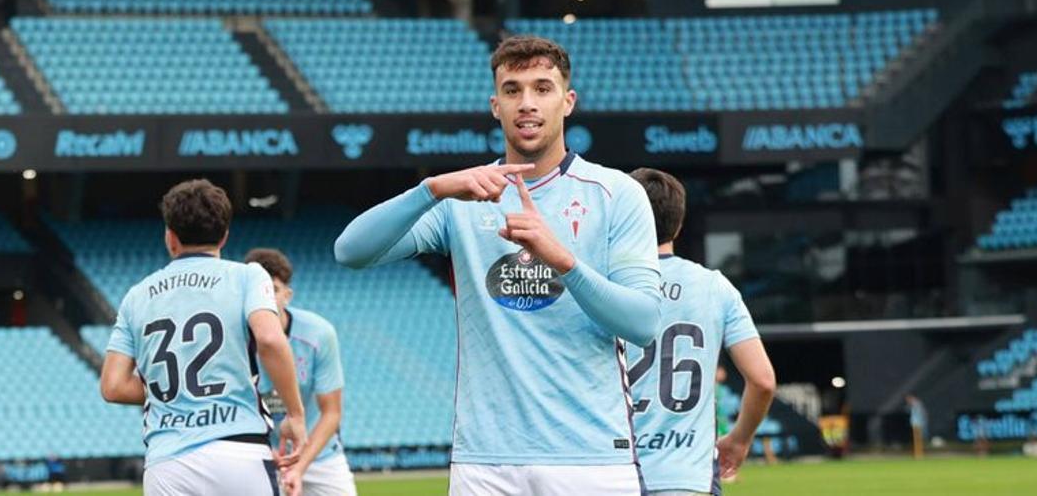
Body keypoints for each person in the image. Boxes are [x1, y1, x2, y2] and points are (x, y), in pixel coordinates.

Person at [334, 35, 662, 496]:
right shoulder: (463, 198)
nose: (527, 103)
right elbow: (350, 252)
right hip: (485, 463)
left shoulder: (615, 194)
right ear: (495, 106)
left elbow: (643, 324)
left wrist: (564, 261)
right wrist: (431, 190)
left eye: (542, 88)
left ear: (568, 101)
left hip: (589, 457)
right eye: (512, 90)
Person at [100, 179, 306, 496]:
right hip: (239, 448)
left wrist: (178, 391)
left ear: (170, 237)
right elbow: (269, 339)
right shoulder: (249, 276)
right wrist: (295, 414)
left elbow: (113, 386)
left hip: (167, 462)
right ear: (224, 236)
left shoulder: (136, 296)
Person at [627, 168, 776, 496]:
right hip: (689, 476)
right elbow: (763, 381)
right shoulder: (714, 287)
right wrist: (740, 440)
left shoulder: (602, 285)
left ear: (625, 217)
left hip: (613, 474)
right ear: (679, 225)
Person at [246, 248, 357, 496]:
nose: (265, 299)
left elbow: (331, 412)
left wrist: (299, 467)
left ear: (287, 295)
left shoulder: (319, 333)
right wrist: (265, 451)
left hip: (318, 455)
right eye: (258, 291)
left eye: (273, 290)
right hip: (258, 455)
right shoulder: (233, 338)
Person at [906, 394, 927, 459]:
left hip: (917, 423)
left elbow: (921, 414)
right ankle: (918, 453)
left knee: (918, 439)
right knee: (917, 439)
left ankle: (919, 453)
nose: (908, 401)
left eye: (908, 399)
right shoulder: (915, 405)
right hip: (916, 423)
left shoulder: (916, 404)